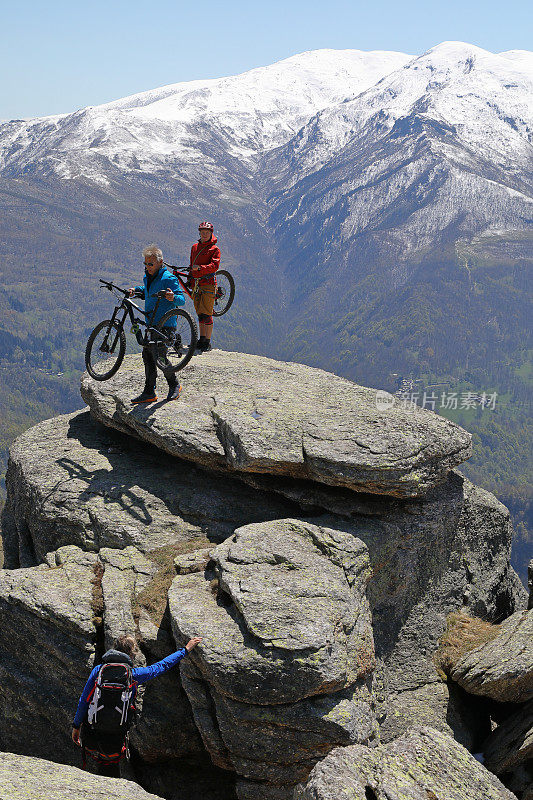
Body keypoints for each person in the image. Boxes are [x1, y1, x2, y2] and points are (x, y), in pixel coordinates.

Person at [72, 633, 202, 778]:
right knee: (111, 764)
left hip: (94, 727)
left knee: (101, 763)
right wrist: (185, 649)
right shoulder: (133, 674)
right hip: (118, 730)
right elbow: (162, 665)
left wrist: (76, 726)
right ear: (131, 654)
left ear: (114, 648)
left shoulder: (98, 671)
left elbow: (84, 700)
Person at [128, 245, 185, 404]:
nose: (147, 267)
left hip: (166, 324)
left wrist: (172, 297)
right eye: (145, 264)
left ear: (160, 263)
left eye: (150, 264)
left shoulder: (168, 278)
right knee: (147, 355)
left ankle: (174, 385)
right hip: (151, 324)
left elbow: (182, 300)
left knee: (159, 356)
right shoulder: (148, 276)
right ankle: (149, 392)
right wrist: (135, 290)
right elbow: (147, 292)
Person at [189, 221, 220, 352]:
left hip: (208, 283)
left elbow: (215, 266)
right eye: (202, 232)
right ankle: (201, 339)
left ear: (211, 233)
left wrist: (200, 268)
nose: (204, 234)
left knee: (207, 313)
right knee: (200, 313)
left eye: (207, 232)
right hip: (196, 283)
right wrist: (190, 280)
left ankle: (207, 341)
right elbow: (191, 265)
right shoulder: (194, 247)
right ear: (199, 233)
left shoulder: (215, 249)